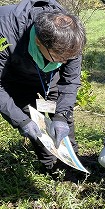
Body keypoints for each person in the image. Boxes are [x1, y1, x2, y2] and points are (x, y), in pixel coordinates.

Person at [0, 0, 86, 173]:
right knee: (35, 125)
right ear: (39, 42)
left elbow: (69, 81)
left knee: (62, 120)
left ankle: (71, 167)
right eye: (60, 57)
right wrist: (21, 121)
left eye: (69, 58)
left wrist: (61, 116)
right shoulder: (5, 29)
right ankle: (51, 168)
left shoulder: (71, 37)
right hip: (16, 77)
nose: (65, 62)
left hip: (49, 78)